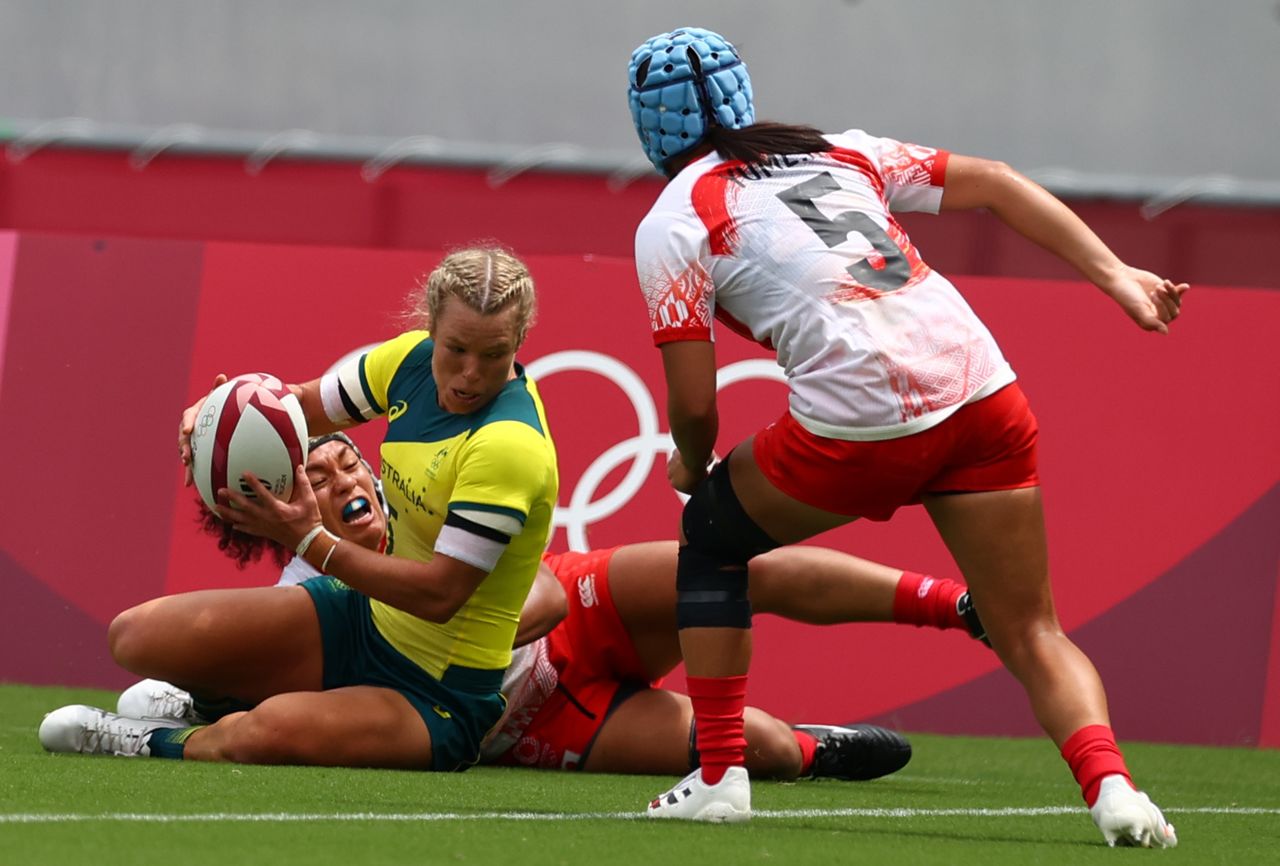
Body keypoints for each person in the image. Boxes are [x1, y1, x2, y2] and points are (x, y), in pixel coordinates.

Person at [624, 27, 1186, 846]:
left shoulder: (673, 221)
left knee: (711, 539)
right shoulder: (839, 150)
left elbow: (695, 404)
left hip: (860, 424)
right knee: (1032, 628)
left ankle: (718, 776)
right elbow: (993, 182)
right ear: (745, 93)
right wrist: (1118, 277)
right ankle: (1116, 792)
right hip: (981, 394)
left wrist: (691, 459)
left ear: (648, 131)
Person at [76, 433, 986, 783]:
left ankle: (957, 605)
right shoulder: (305, 601)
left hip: (574, 618)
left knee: (722, 565)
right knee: (768, 750)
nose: (341, 474)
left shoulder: (433, 503)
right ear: (286, 506)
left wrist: (453, 617)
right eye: (313, 476)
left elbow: (546, 594)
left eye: (346, 460)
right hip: (535, 719)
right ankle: (822, 745)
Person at [40, 245, 560, 772]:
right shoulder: (406, 362)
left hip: (438, 694)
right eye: (456, 349)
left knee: (260, 733)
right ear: (430, 328)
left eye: (493, 355)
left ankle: (148, 739)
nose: (471, 374)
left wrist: (311, 541)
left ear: (519, 341)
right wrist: (219, 414)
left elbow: (439, 596)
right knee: (134, 636)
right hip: (362, 617)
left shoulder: (508, 447)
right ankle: (211, 699)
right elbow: (297, 409)